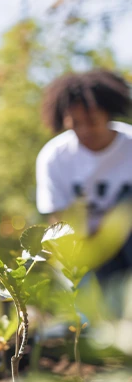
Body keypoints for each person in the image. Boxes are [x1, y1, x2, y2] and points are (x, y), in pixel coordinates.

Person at [37, 69, 132, 285]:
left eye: (91, 121)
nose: (85, 130)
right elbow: (58, 224)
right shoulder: (54, 157)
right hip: (89, 253)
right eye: (75, 123)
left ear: (108, 114)